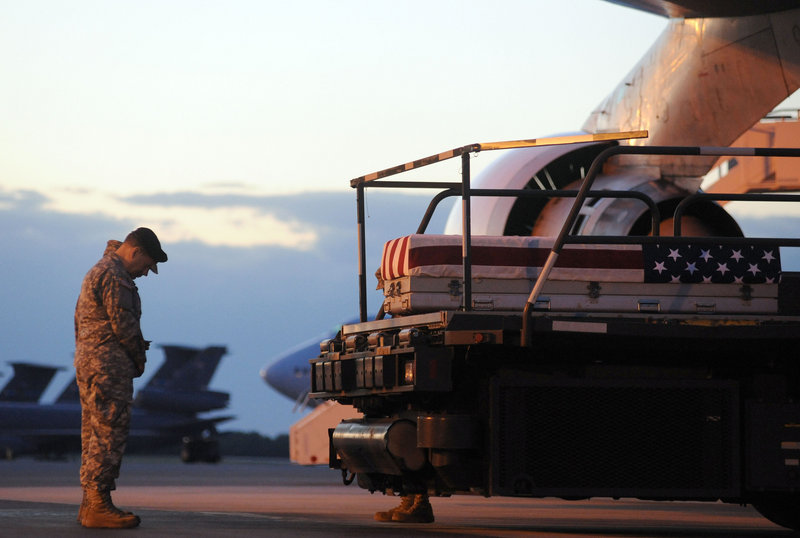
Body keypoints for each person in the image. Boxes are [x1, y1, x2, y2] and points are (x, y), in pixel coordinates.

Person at [74, 227, 167, 528]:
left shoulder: (101, 270)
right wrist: (139, 359)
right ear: (135, 251)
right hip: (107, 368)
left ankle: (92, 505)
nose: (148, 273)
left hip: (94, 365)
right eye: (148, 264)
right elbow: (124, 325)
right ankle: (97, 505)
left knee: (94, 434)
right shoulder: (114, 276)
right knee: (107, 434)